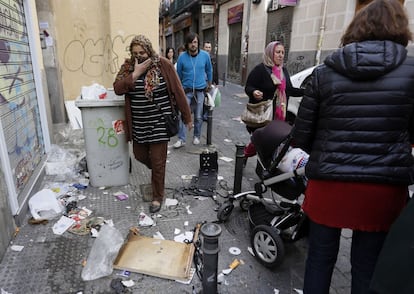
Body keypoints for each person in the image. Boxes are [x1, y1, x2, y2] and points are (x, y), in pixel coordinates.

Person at [291, 0, 414, 293]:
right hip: (381, 189)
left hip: (328, 186)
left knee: (319, 261)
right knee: (366, 267)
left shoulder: (324, 72)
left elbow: (301, 138)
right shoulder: (411, 72)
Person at [113, 35, 192, 213]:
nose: (139, 56)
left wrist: (187, 117)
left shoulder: (163, 65)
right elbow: (118, 88)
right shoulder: (127, 68)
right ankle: (157, 169)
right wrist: (136, 73)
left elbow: (178, 91)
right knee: (139, 155)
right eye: (135, 53)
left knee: (157, 163)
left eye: (142, 52)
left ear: (149, 50)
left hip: (159, 123)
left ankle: (157, 197)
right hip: (139, 124)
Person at [243, 41, 303, 164]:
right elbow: (248, 86)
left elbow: (289, 90)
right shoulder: (260, 69)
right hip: (264, 113)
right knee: (260, 140)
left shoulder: (283, 71)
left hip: (280, 113)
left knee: (274, 141)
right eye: (277, 52)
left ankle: (264, 165)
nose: (280, 55)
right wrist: (254, 92)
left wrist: (307, 91)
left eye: (282, 52)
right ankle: (244, 155)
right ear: (270, 53)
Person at [173, 32, 213, 148]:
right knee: (183, 115)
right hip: (186, 91)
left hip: (200, 91)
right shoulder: (182, 57)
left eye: (195, 42)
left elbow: (209, 70)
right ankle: (181, 139)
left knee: (199, 116)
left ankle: (197, 136)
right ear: (187, 44)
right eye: (191, 42)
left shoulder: (205, 55)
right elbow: (178, 75)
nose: (193, 45)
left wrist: (209, 83)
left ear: (198, 43)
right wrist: (178, 90)